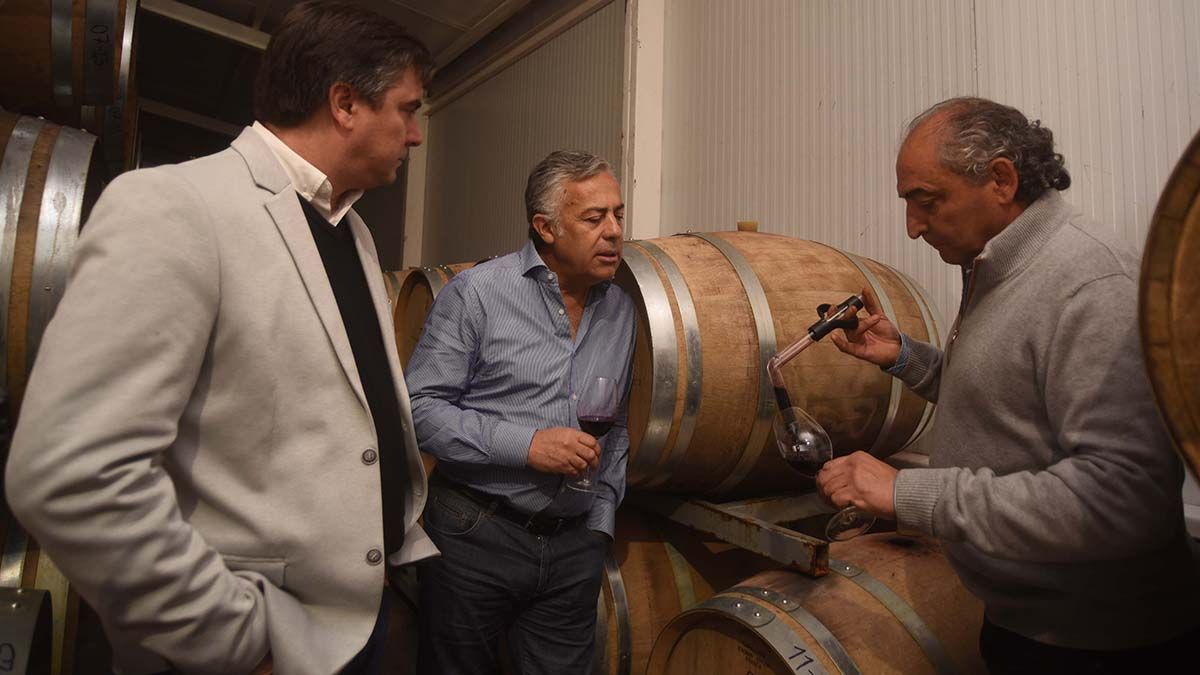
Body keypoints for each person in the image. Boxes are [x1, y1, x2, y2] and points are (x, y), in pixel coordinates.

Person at [4, 2, 437, 673]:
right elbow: (70, 473)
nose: (414, 135)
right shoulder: (175, 206)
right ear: (346, 103)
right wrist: (236, 639)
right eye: (407, 110)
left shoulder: (351, 229)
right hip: (261, 640)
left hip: (365, 620)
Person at [817, 96, 1200, 673]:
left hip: (1099, 645)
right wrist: (905, 358)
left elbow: (1123, 499)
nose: (913, 227)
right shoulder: (994, 266)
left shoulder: (1089, 281)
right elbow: (1010, 401)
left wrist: (906, 493)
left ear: (1000, 178)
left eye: (927, 201)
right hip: (1024, 624)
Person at [405, 150, 635, 674]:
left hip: (573, 546)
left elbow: (616, 425)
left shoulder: (620, 308)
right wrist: (526, 445)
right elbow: (418, 408)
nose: (615, 231)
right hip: (475, 536)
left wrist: (599, 521)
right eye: (594, 218)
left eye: (619, 214)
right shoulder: (477, 295)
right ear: (545, 227)